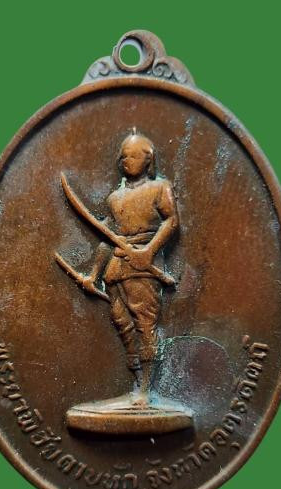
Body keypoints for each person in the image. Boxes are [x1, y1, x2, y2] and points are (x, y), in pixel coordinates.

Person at [82, 129, 179, 405]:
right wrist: (94, 274)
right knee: (122, 323)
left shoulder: (160, 188)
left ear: (148, 160)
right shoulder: (115, 198)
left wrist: (148, 251)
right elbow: (107, 237)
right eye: (123, 157)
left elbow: (171, 221)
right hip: (116, 266)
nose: (126, 161)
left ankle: (146, 389)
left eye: (133, 156)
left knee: (144, 324)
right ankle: (136, 382)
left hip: (144, 264)